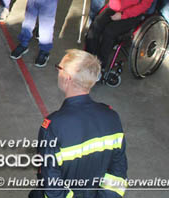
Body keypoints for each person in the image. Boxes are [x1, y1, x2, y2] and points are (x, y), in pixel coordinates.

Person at [30, 49, 127, 197]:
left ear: (67, 78)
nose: (58, 72)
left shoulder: (53, 127)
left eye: (59, 68)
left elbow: (51, 182)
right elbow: (118, 172)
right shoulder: (112, 117)